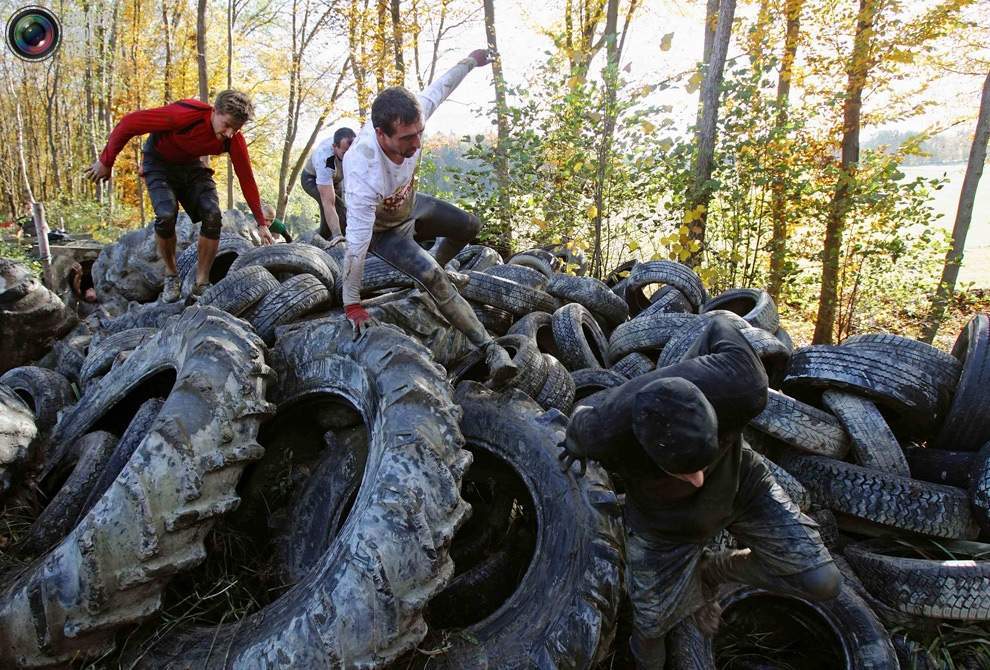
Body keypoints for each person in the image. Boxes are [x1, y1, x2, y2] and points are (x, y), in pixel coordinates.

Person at [558, 316, 841, 669]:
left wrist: (689, 365)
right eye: (681, 470)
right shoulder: (603, 429)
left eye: (703, 461)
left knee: (823, 581)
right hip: (661, 529)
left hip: (743, 485)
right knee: (650, 635)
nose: (697, 480)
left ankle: (713, 571)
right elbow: (573, 432)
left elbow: (718, 325)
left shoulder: (743, 385)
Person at [339, 49, 516, 384]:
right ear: (381, 135)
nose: (417, 143)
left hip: (410, 205)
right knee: (433, 277)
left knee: (470, 226)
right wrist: (352, 304)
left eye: (419, 132)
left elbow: (441, 87)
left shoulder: (412, 114)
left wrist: (471, 61)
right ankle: (492, 350)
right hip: (382, 231)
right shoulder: (362, 172)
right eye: (407, 138)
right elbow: (357, 246)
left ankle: (433, 271)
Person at [86, 90, 273, 303]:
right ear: (215, 111)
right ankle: (171, 274)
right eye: (227, 125)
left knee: (212, 215)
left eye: (236, 129)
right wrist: (106, 161)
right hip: (158, 162)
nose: (230, 133)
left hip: (190, 166)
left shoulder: (233, 139)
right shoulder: (183, 115)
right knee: (166, 215)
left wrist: (261, 222)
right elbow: (129, 123)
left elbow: (246, 178)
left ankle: (201, 282)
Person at [300, 126, 355, 242]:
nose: (350, 157)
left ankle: (320, 237)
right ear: (334, 147)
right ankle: (337, 238)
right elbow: (329, 203)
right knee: (338, 206)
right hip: (312, 179)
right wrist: (337, 235)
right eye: (345, 153)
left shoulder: (360, 148)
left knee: (343, 211)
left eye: (353, 153)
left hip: (337, 178)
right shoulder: (325, 159)